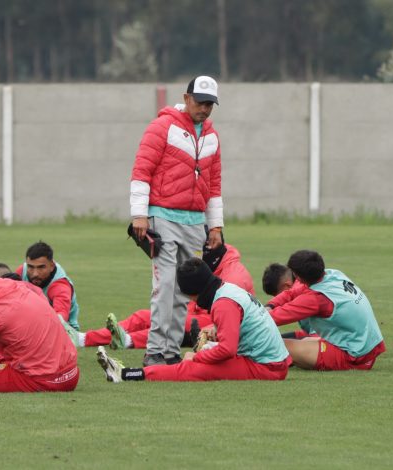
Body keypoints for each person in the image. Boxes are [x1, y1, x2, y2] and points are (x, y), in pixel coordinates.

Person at [130, 75, 224, 367]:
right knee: (165, 285)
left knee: (185, 290)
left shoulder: (212, 136)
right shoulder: (161, 127)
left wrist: (216, 225)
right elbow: (141, 170)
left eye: (210, 104)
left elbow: (214, 184)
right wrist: (139, 215)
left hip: (195, 223)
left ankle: (170, 351)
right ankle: (156, 349)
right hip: (162, 218)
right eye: (200, 102)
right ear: (186, 98)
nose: (204, 109)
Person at [96, 258, 290, 383]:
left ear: (195, 292)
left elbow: (228, 350)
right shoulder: (227, 289)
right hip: (270, 362)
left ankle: (124, 374)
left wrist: (195, 356)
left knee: (192, 368)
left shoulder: (223, 303)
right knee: (202, 356)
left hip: (266, 368)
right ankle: (125, 371)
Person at [69, 242, 253, 350]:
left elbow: (229, 314)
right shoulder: (212, 266)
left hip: (218, 322)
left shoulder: (234, 275)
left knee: (164, 320)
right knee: (146, 316)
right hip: (206, 318)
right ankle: (85, 338)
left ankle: (125, 340)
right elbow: (192, 301)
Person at [265, 250, 386, 371]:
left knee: (275, 344)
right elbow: (292, 292)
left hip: (354, 357)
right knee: (306, 340)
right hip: (368, 349)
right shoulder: (333, 274)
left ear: (298, 277)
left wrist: (253, 315)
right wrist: (271, 305)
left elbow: (275, 317)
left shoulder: (315, 299)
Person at [17, 241, 81, 330]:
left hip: (64, 330)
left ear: (51, 266)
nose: (35, 273)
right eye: (31, 267)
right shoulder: (22, 271)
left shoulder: (60, 285)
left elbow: (61, 319)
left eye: (41, 267)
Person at [261, 262, 313, 339]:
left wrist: (259, 319)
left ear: (287, 285)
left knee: (273, 346)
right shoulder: (305, 281)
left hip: (328, 343)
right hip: (319, 336)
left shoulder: (303, 296)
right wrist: (270, 305)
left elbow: (317, 337)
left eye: (278, 295)